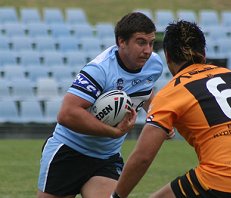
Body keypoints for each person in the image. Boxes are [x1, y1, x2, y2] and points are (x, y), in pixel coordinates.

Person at [112, 20, 231, 198]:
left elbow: (143, 157)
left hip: (219, 182)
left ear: (168, 56)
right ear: (204, 53)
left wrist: (115, 196)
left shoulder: (171, 93)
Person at [37, 12, 164, 198]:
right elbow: (67, 114)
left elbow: (145, 90)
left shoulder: (154, 64)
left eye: (151, 43)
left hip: (106, 158)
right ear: (121, 42)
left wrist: (158, 116)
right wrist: (114, 132)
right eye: (141, 42)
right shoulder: (100, 70)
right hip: (69, 151)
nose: (147, 50)